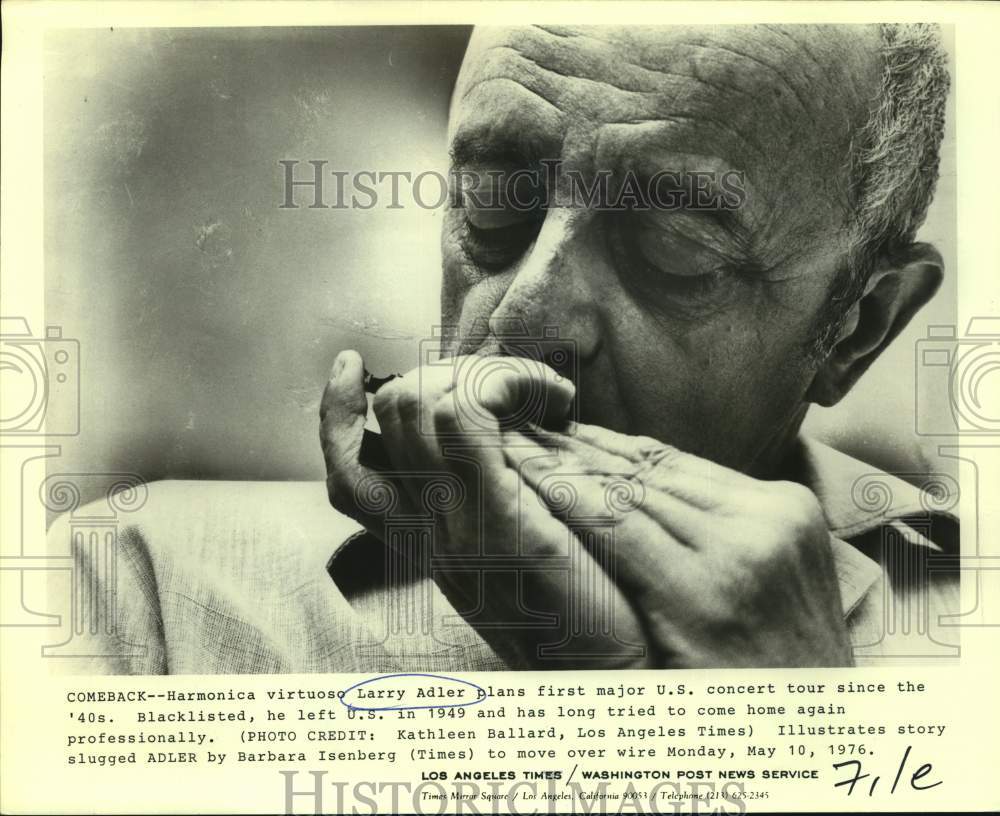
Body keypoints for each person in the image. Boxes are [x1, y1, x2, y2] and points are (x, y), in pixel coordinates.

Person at [51, 23, 958, 674]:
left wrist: (784, 715)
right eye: (491, 207)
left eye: (675, 251)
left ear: (859, 326)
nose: (524, 317)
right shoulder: (142, 586)